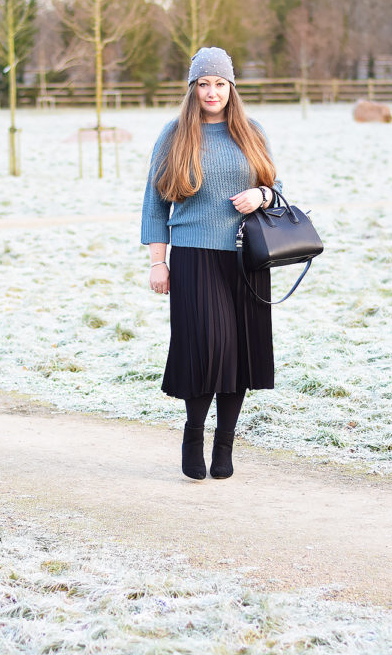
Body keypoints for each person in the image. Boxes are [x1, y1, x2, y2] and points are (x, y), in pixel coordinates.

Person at [141, 46, 281, 481]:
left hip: (246, 258)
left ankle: (225, 445)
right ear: (193, 88)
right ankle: (193, 435)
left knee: (238, 352)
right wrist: (158, 263)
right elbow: (154, 203)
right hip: (194, 258)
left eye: (220, 83)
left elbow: (277, 186)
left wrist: (261, 195)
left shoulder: (251, 131)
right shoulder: (175, 135)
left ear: (231, 87)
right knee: (207, 349)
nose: (212, 92)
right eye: (204, 83)